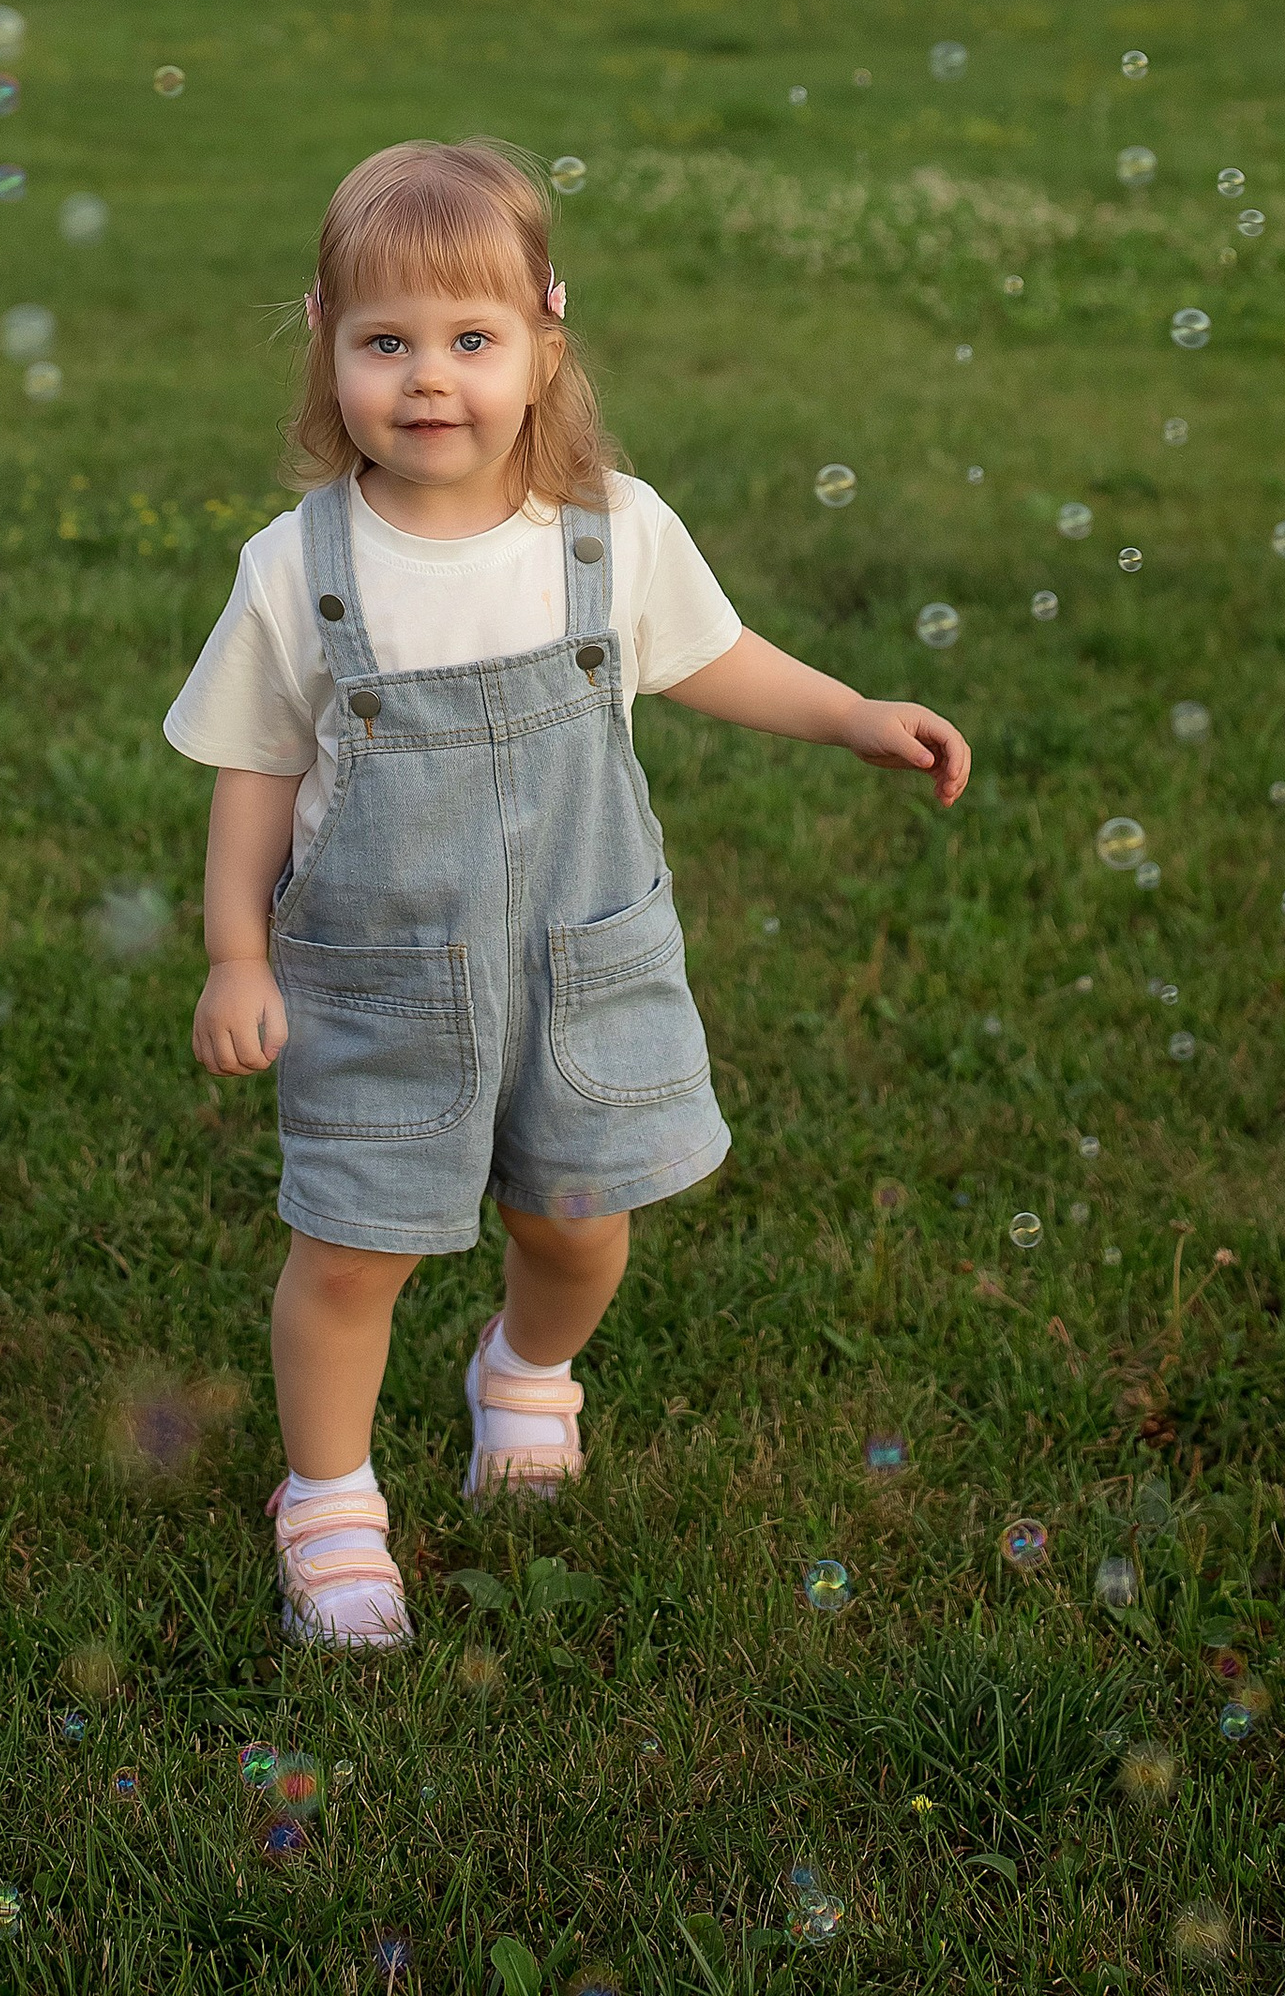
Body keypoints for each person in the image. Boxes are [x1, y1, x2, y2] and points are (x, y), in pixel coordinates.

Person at [164, 136, 970, 1650]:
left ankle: (527, 1371)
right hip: (378, 977)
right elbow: (255, 769)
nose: (428, 379)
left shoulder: (607, 529)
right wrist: (232, 952)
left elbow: (710, 652)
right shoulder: (298, 569)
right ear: (326, 353)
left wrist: (852, 708)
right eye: (383, 341)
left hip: (583, 962)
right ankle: (329, 1500)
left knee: (581, 1222)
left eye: (470, 340)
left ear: (545, 340)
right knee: (350, 1252)